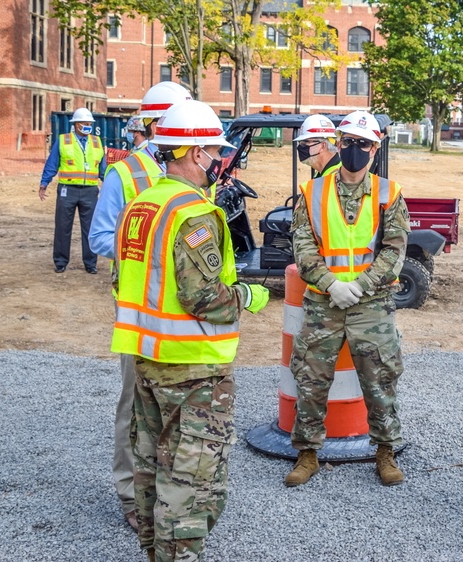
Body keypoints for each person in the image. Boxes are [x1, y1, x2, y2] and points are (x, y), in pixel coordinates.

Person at [111, 99, 269, 562]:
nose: (220, 161)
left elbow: (125, 282)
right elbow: (205, 299)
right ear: (196, 153)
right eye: (214, 153)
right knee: (191, 484)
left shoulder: (141, 205)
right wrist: (248, 297)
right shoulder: (193, 214)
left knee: (150, 470)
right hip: (193, 371)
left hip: (148, 361)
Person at [284, 110, 410, 488]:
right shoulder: (312, 192)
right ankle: (307, 453)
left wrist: (361, 285)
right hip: (324, 302)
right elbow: (303, 246)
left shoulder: (390, 193)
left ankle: (385, 451)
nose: (356, 150)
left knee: (380, 378)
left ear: (375, 148)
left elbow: (395, 250)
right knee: (311, 377)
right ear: (339, 144)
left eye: (364, 144)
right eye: (349, 142)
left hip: (370, 304)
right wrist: (331, 284)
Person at [87, 81, 191, 533]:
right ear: (156, 126)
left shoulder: (190, 173)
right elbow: (97, 239)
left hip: (183, 308)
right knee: (135, 403)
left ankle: (171, 488)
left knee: (180, 402)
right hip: (139, 310)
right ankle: (131, 494)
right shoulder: (125, 175)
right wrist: (152, 244)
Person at [38, 107, 106, 274]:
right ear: (75, 124)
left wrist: (109, 184)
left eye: (89, 123)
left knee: (90, 228)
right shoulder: (63, 140)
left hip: (90, 191)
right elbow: (52, 164)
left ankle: (91, 263)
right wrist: (44, 183)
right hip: (67, 190)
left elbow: (103, 168)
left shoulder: (97, 142)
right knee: (62, 226)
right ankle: (60, 262)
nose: (88, 125)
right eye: (84, 123)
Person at [294, 114, 341, 178]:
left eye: (305, 142)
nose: (300, 146)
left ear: (322, 146)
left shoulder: (338, 177)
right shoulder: (322, 174)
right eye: (301, 142)